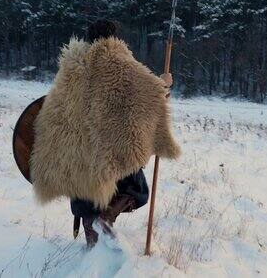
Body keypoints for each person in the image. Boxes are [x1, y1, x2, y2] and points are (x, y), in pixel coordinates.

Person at [29, 19, 179, 248]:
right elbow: (144, 93)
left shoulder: (72, 65)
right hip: (107, 147)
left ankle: (93, 241)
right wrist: (163, 84)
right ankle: (106, 218)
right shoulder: (116, 60)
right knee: (136, 189)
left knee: (83, 189)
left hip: (75, 148)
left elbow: (55, 106)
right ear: (113, 37)